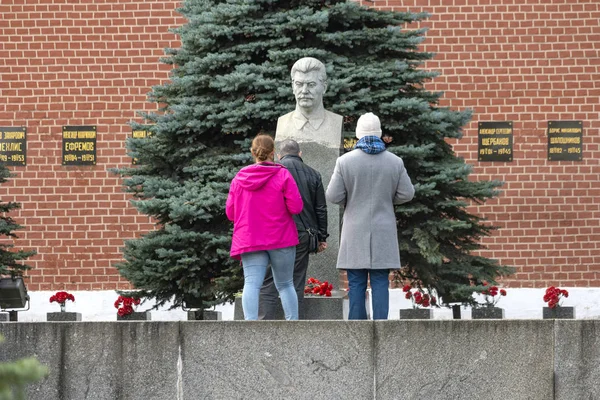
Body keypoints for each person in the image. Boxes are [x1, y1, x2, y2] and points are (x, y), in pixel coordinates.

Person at [325, 112, 415, 320]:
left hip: (355, 228)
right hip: (383, 228)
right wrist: (388, 199)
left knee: (355, 282)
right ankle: (381, 327)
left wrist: (351, 198)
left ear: (358, 134)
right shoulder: (395, 162)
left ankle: (358, 329)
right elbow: (407, 194)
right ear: (380, 133)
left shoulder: (345, 162)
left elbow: (333, 195)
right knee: (380, 281)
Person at [226, 134, 303, 320]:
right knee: (285, 284)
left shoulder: (239, 178)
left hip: (250, 238)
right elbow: (296, 207)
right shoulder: (283, 174)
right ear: (273, 153)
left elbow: (230, 213)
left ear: (253, 152)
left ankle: (250, 328)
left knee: (251, 284)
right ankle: (293, 327)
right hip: (280, 237)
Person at [259, 139, 328, 320]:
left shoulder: (272, 172)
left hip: (274, 233)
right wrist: (322, 237)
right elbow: (320, 209)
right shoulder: (313, 174)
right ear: (300, 154)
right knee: (295, 280)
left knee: (268, 280)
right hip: (302, 234)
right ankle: (292, 325)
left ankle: (264, 323)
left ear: (279, 155)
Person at [276, 57, 343, 148]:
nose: (304, 91)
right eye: (299, 84)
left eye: (311, 85)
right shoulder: (283, 123)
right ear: (292, 86)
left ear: (324, 87)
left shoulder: (336, 123)